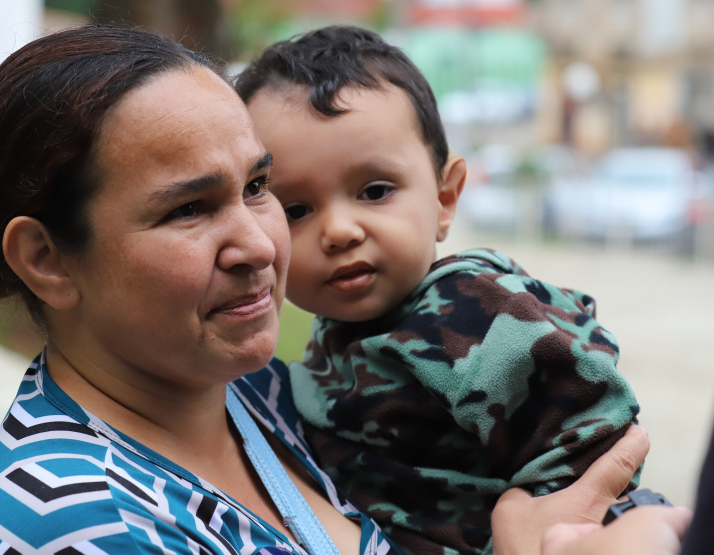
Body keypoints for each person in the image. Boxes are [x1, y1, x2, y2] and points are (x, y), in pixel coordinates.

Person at [0, 23, 663, 555]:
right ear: (46, 258)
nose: (261, 243)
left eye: (258, 187)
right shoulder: (76, 522)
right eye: (189, 208)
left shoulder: (265, 397)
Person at [235, 25, 641, 554]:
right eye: (296, 210)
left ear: (446, 198)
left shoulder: (472, 312)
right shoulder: (336, 334)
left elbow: (594, 424)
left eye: (374, 191)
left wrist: (559, 535)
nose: (339, 231)